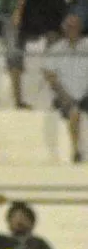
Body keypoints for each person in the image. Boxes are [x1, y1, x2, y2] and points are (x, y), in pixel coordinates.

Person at [42, 14, 88, 163]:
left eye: (74, 26)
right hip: (64, 95)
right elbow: (49, 75)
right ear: (63, 29)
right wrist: (63, 94)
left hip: (86, 93)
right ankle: (76, 151)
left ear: (80, 28)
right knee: (74, 110)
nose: (72, 30)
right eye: (69, 27)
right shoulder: (56, 49)